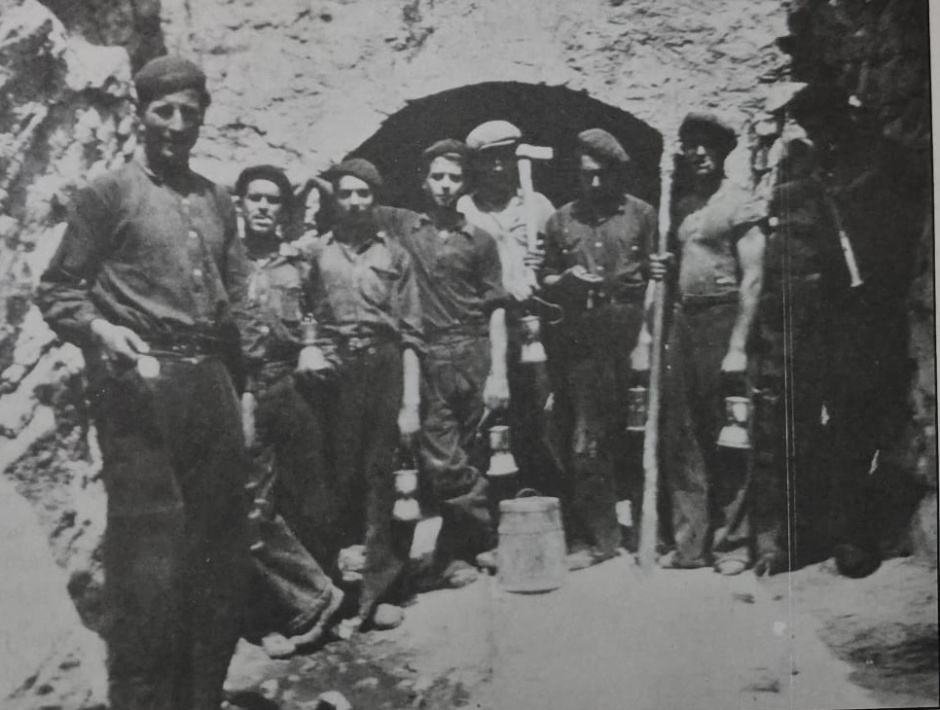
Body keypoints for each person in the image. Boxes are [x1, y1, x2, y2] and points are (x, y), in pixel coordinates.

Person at [37, 55, 253, 710]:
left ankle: (202, 697)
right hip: (139, 388)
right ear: (141, 113)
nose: (177, 124)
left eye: (190, 112)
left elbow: (237, 306)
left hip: (211, 380)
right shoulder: (107, 195)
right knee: (150, 564)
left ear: (202, 118)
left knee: (219, 554)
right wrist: (102, 333)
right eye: (165, 110)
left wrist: (242, 399)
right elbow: (57, 291)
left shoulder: (217, 199)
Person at [295, 158, 424, 631]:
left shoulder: (396, 255)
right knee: (336, 479)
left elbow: (412, 333)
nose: (353, 202)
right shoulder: (313, 253)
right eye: (345, 193)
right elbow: (301, 311)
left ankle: (385, 590)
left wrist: (410, 402)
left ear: (374, 199)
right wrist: (311, 349)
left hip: (383, 367)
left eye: (363, 194)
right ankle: (342, 592)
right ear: (334, 199)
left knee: (384, 478)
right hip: (332, 377)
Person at [234, 164, 343, 658]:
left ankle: (324, 606)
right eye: (254, 198)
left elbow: (319, 312)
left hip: (292, 384)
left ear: (283, 209)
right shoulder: (223, 262)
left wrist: (312, 346)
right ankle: (269, 620)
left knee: (312, 500)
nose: (262, 207)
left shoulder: (298, 261)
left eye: (271, 200)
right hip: (243, 390)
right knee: (257, 508)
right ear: (240, 205)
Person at [652, 112, 766, 575]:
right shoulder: (679, 206)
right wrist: (661, 268)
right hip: (684, 322)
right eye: (691, 146)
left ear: (723, 153)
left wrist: (738, 345)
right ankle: (690, 543)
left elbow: (754, 279)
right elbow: (675, 266)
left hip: (724, 320)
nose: (698, 154)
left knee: (731, 433)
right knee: (683, 433)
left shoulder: (740, 203)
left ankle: (734, 544)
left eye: (707, 147)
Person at [541, 128, 658, 569]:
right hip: (581, 333)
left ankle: (654, 531)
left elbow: (657, 277)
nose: (593, 184)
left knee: (641, 428)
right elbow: (547, 279)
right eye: (586, 175)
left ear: (617, 173)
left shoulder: (642, 214)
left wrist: (646, 336)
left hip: (632, 327)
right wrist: (564, 282)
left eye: (602, 175)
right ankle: (601, 538)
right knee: (587, 437)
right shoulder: (560, 219)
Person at [395, 139, 509, 588]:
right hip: (427, 354)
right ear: (423, 181)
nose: (445, 185)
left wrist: (498, 371)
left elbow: (496, 306)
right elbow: (352, 197)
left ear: (465, 183)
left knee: (479, 451)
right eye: (437, 177)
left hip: (474, 351)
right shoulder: (404, 229)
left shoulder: (480, 240)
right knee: (444, 463)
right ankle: (491, 533)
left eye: (454, 178)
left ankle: (455, 556)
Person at [457, 121, 560, 519]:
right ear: (476, 166)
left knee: (538, 416)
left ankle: (545, 503)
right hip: (484, 330)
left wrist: (543, 266)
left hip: (533, 328)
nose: (498, 167)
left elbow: (557, 265)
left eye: (505, 158)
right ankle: (495, 511)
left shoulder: (538, 206)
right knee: (490, 420)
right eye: (488, 160)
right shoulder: (465, 209)